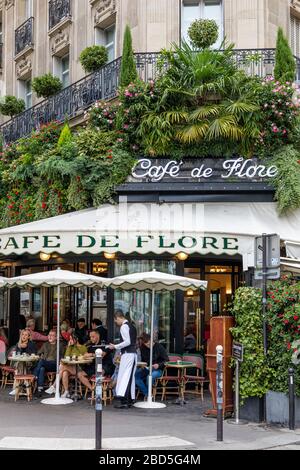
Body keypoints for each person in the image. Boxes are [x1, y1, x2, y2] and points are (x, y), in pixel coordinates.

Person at [108, 310, 137, 409]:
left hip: (128, 355)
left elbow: (127, 341)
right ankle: (130, 399)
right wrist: (120, 352)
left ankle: (125, 401)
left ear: (118, 317)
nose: (116, 323)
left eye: (116, 320)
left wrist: (115, 346)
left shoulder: (124, 326)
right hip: (131, 354)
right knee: (129, 377)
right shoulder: (131, 326)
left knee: (125, 377)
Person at [47, 333, 89, 398]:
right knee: (64, 372)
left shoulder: (83, 347)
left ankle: (54, 386)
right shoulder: (70, 347)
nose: (70, 340)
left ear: (76, 339)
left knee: (63, 366)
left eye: (71, 339)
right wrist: (69, 347)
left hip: (79, 367)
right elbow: (66, 356)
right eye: (70, 339)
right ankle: (66, 391)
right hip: (70, 367)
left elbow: (85, 357)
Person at [135, 333, 169, 398]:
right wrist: (142, 364)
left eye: (148, 344)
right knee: (135, 376)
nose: (148, 346)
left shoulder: (159, 347)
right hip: (147, 368)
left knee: (149, 377)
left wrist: (159, 365)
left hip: (158, 369)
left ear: (151, 340)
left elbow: (166, 360)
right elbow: (143, 360)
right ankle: (148, 394)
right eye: (146, 345)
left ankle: (148, 395)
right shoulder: (143, 348)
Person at [33, 330, 65, 395]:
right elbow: (38, 352)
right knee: (41, 368)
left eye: (52, 335)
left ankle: (34, 376)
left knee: (41, 362)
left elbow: (63, 356)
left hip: (55, 365)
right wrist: (39, 355)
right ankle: (40, 388)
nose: (50, 337)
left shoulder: (60, 345)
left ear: (56, 337)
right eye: (49, 335)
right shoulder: (45, 344)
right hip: (46, 364)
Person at [9, 330, 37, 396]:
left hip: (29, 363)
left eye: (26, 335)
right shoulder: (18, 344)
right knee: (20, 364)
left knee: (21, 365)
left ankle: (17, 387)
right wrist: (21, 348)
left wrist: (26, 347)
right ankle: (23, 384)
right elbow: (16, 355)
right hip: (18, 363)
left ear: (28, 337)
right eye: (22, 334)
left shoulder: (32, 344)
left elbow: (34, 355)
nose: (24, 336)